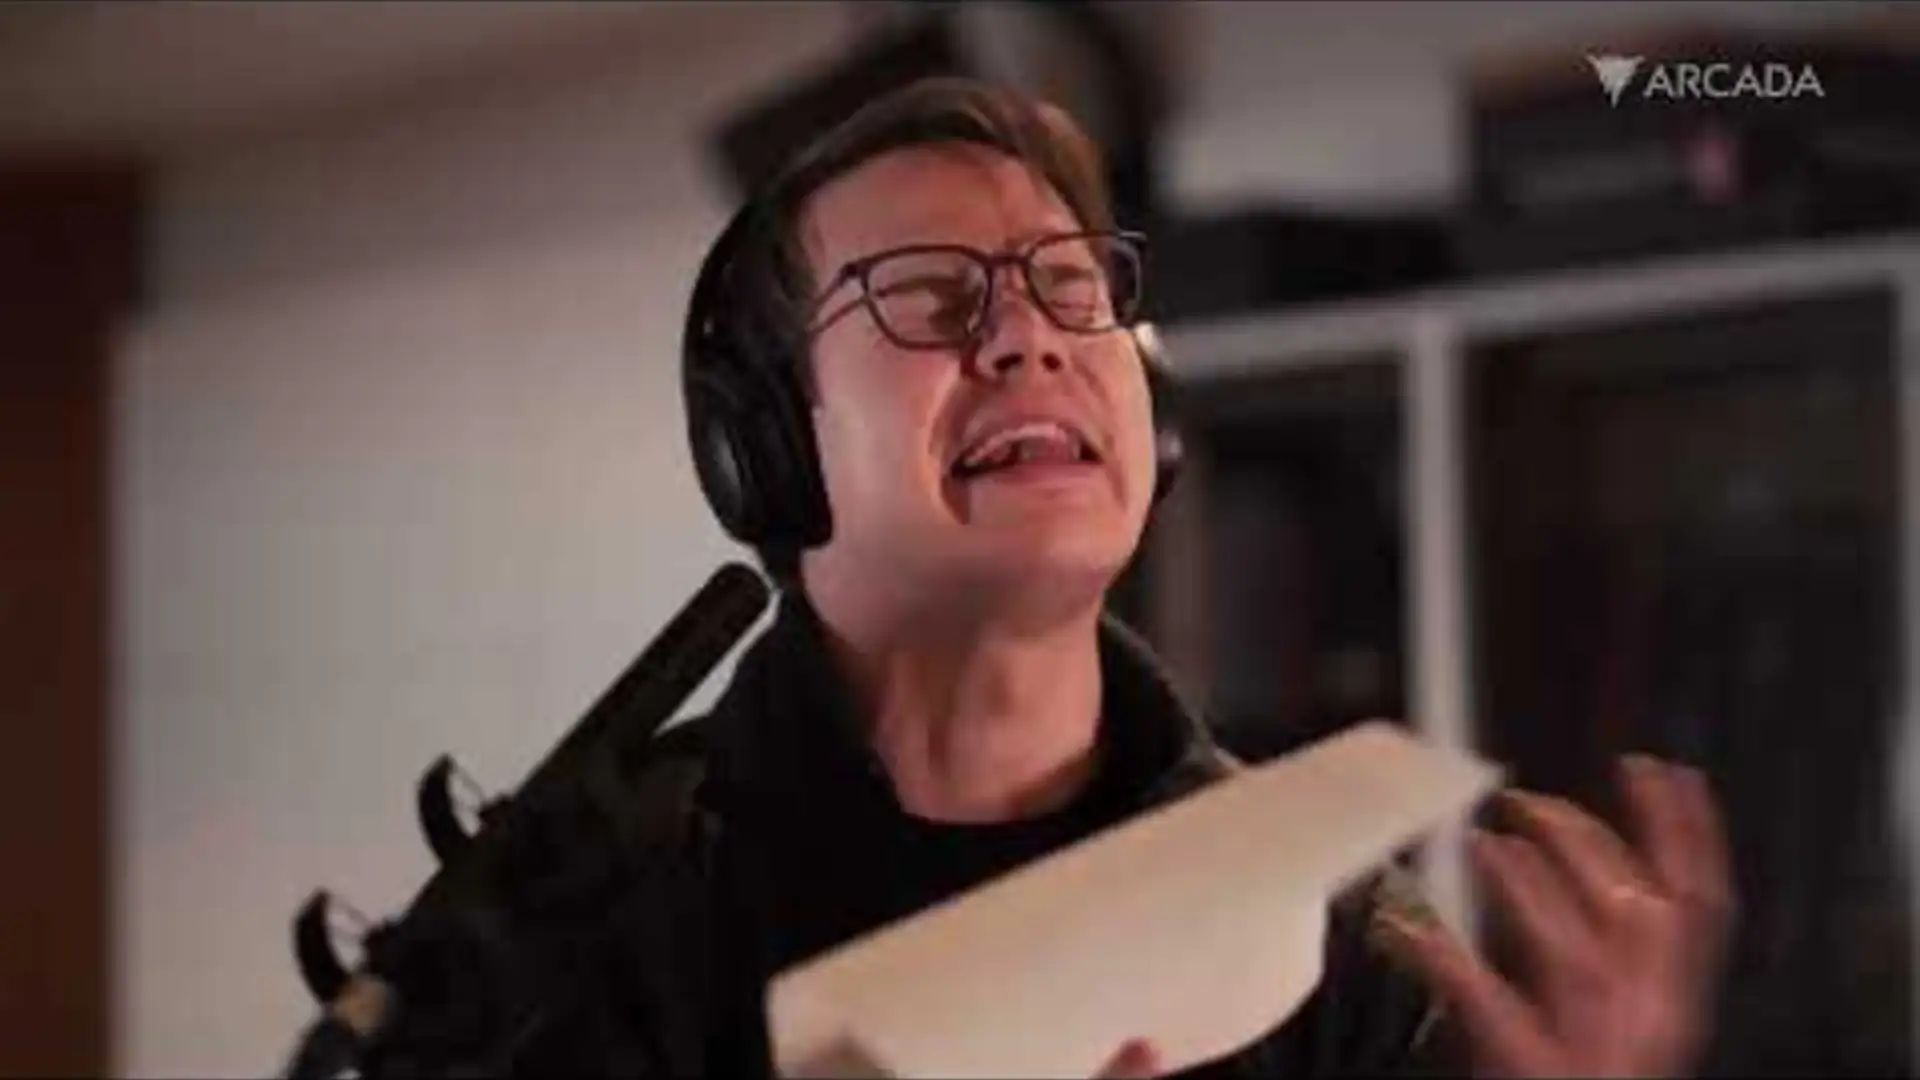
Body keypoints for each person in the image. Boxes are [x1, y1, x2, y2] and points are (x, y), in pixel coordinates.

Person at [591, 76, 1737, 1079]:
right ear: (766, 446)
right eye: (931, 295)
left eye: (1071, 287)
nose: (1031, 337)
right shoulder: (594, 926)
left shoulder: (1326, 934)